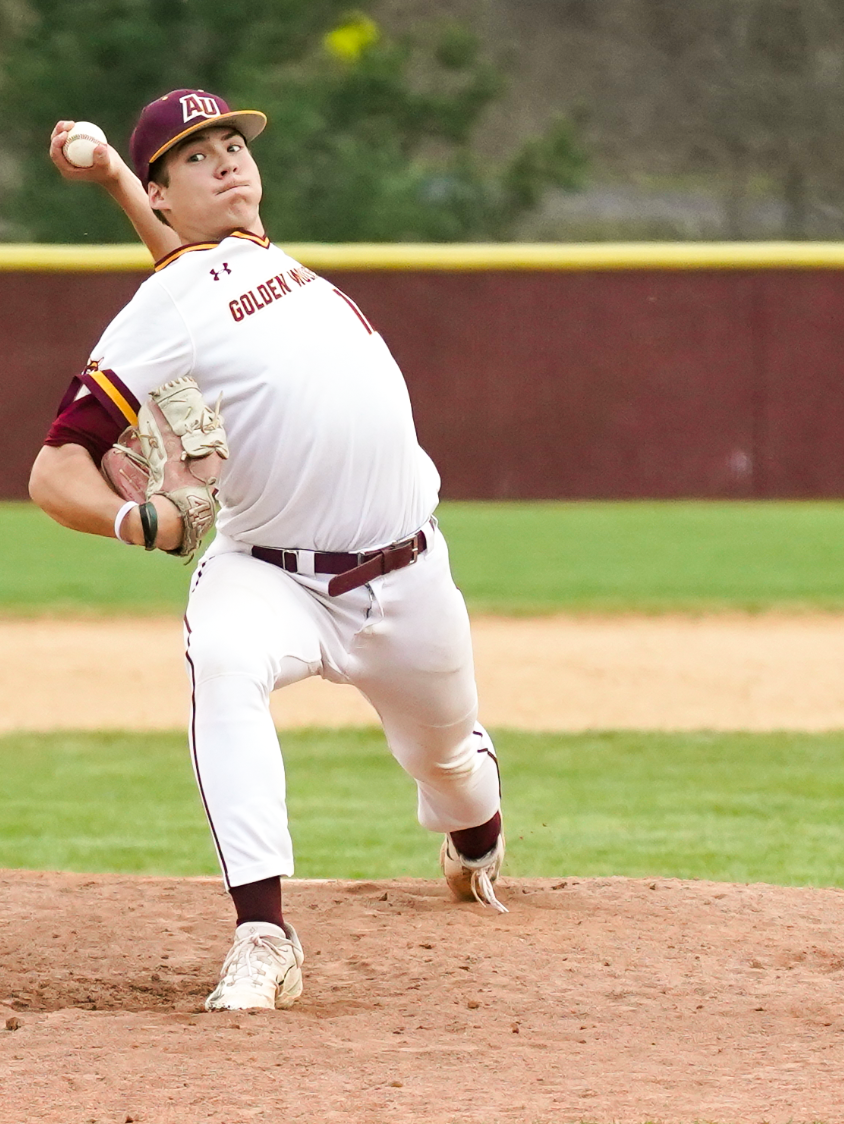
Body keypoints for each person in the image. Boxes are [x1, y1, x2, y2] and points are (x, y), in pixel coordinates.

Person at [27, 89, 505, 1012]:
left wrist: (124, 179)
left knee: (451, 768)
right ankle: (263, 933)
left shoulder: (250, 261)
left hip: (409, 578)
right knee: (225, 661)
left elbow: (196, 276)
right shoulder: (160, 308)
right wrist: (132, 520)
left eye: (231, 145)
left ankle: (474, 839)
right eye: (197, 156)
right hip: (269, 574)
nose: (228, 161)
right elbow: (55, 469)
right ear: (169, 194)